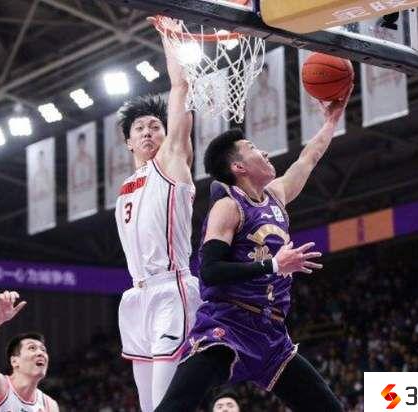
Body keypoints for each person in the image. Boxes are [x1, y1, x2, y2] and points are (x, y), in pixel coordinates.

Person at [155, 89, 352, 411]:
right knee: (174, 407)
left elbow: (308, 158)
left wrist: (331, 120)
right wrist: (273, 265)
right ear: (239, 167)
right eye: (253, 149)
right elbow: (210, 271)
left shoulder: (276, 196)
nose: (265, 152)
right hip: (227, 325)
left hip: (271, 334)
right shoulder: (228, 207)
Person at [114, 16, 202, 412]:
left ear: (168, 136)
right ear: (128, 142)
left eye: (155, 126)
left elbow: (180, 87)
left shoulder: (171, 163)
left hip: (171, 289)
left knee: (168, 404)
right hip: (136, 296)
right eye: (140, 128)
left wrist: (170, 37)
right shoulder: (126, 187)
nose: (148, 131)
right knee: (149, 407)